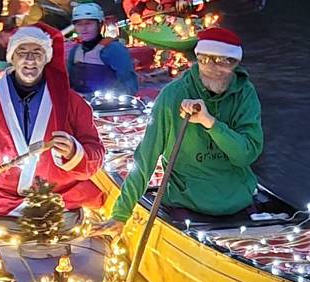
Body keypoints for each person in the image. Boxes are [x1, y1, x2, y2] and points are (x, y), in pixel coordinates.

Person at [111, 28, 263, 224]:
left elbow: (246, 155)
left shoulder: (245, 94)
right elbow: (147, 156)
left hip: (236, 200)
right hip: (185, 203)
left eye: (222, 61)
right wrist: (120, 215)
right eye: (205, 60)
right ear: (198, 59)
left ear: (234, 63)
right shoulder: (173, 94)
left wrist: (210, 123)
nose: (213, 69)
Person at [0, 24, 106, 216]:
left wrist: (75, 152)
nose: (30, 59)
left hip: (61, 200)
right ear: (12, 58)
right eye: (22, 52)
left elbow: (96, 152)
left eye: (37, 52)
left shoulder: (73, 103)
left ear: (46, 58)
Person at [67, 1, 139, 97]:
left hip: (107, 106)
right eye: (79, 24)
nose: (84, 29)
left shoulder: (114, 49)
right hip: (80, 104)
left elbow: (128, 83)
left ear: (100, 25)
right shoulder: (75, 51)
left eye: (88, 24)